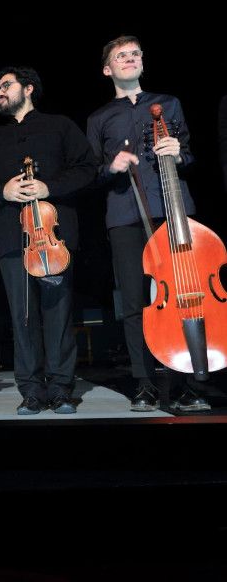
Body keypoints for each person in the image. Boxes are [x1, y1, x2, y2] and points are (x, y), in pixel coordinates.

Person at [86, 35, 210, 412]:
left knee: (185, 295)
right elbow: (90, 174)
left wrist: (179, 152)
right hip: (124, 215)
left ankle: (191, 381)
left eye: (135, 54)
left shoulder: (168, 104)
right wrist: (111, 167)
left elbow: (188, 155)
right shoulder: (98, 118)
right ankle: (144, 383)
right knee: (134, 301)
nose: (130, 58)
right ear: (108, 69)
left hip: (172, 210)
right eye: (121, 55)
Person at [0, 67, 96, 415]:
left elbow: (87, 168)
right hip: (12, 240)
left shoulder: (60, 126)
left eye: (5, 85)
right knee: (22, 318)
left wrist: (49, 187)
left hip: (55, 239)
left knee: (58, 315)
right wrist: (3, 191)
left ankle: (61, 389)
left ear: (29, 88)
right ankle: (31, 390)